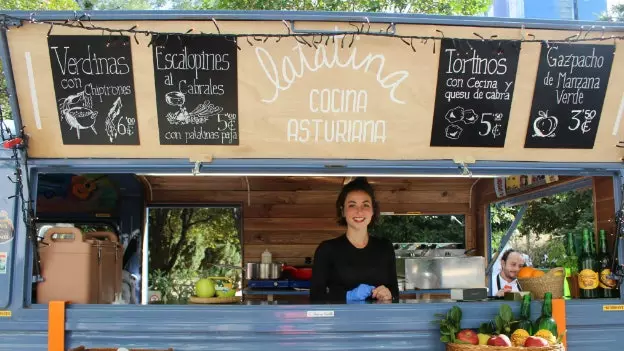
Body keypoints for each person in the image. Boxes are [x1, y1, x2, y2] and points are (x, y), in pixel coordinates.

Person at [310, 177, 399, 303]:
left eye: (365, 205)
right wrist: (347, 296)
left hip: (378, 321)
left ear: (373, 210)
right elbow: (316, 298)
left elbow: (395, 294)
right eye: (352, 205)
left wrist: (389, 295)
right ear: (342, 211)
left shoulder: (385, 247)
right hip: (339, 321)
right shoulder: (327, 249)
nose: (359, 211)